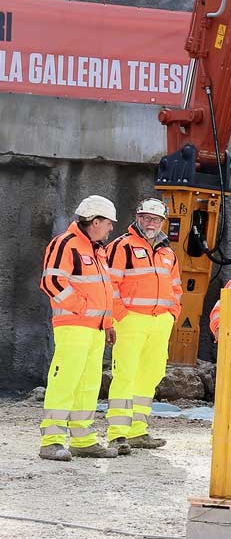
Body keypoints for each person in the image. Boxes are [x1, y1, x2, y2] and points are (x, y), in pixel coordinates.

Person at [38, 195, 122, 461]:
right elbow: (52, 282)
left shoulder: (97, 249)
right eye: (109, 223)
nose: (111, 228)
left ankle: (82, 439)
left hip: (95, 330)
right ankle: (51, 441)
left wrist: (106, 323)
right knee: (65, 381)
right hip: (74, 326)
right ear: (95, 221)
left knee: (88, 384)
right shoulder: (66, 244)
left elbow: (102, 291)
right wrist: (82, 307)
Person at [104, 198, 182, 453]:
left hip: (160, 323)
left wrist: (172, 314)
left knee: (150, 375)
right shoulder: (121, 247)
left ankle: (138, 431)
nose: (150, 223)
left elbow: (176, 288)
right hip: (131, 320)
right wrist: (121, 315)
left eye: (155, 219)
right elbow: (109, 285)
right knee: (125, 374)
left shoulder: (168, 253)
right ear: (137, 217)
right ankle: (117, 433)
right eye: (146, 217)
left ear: (162, 223)